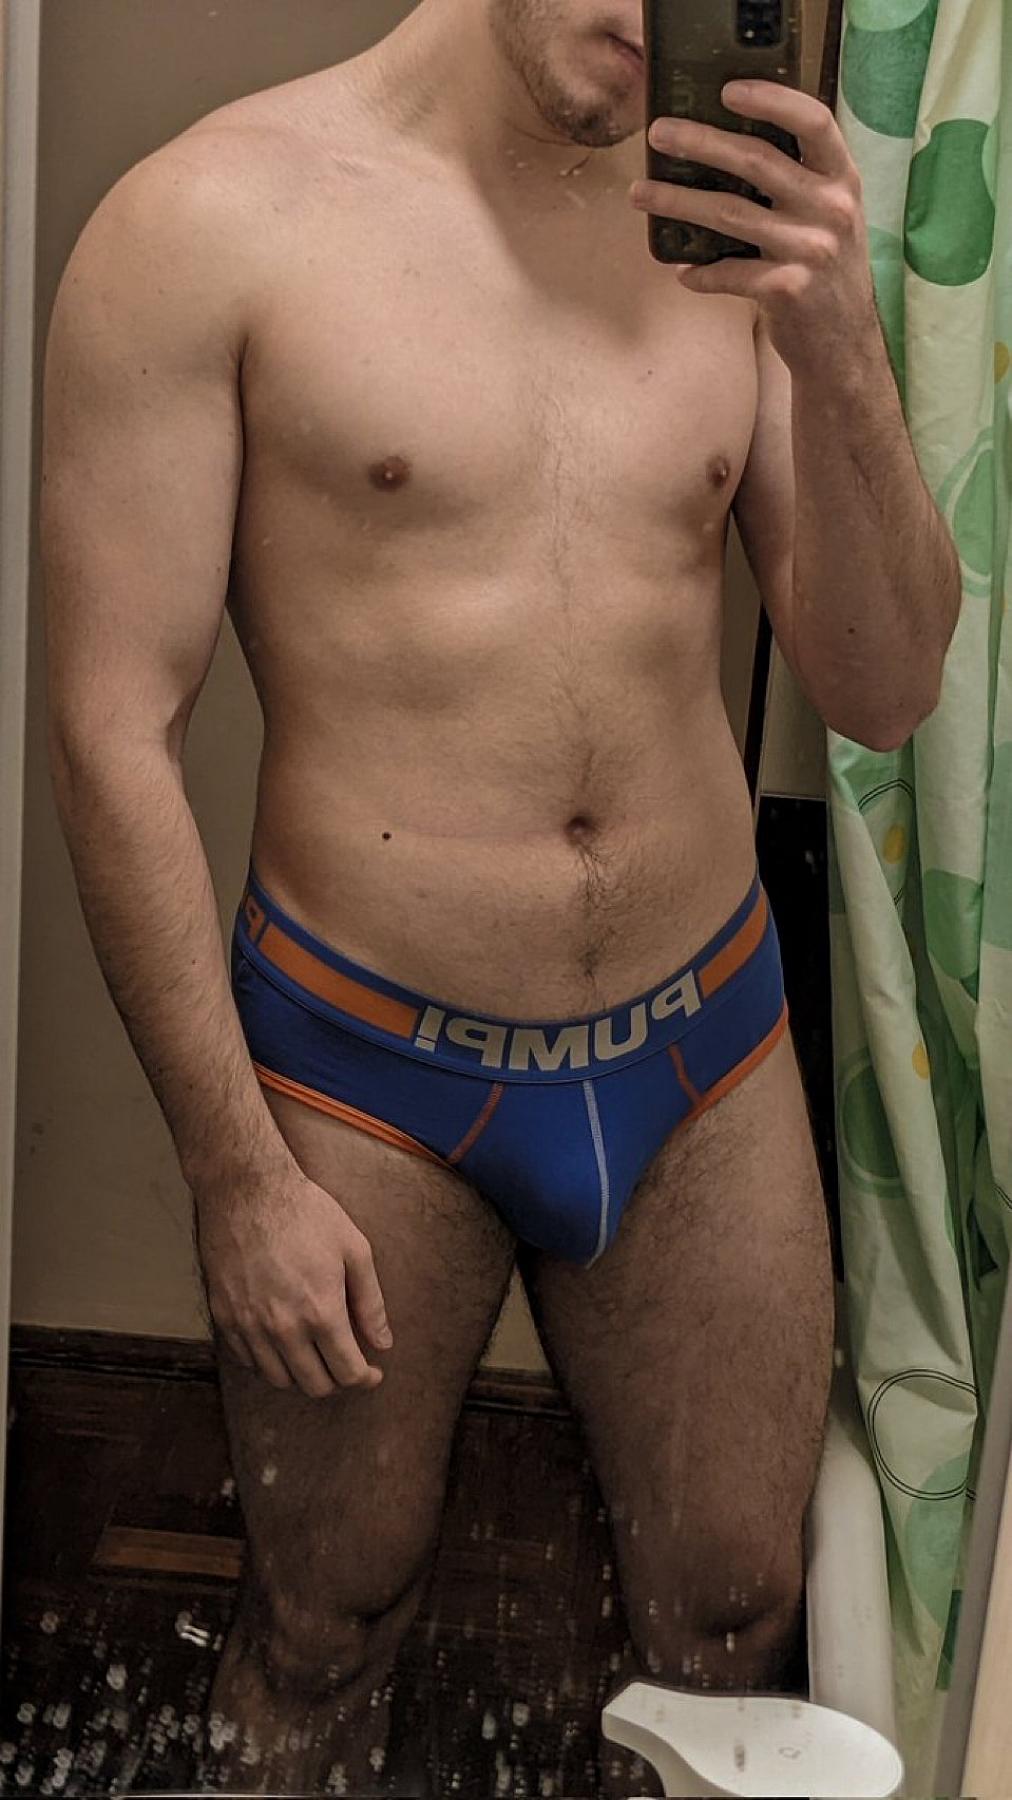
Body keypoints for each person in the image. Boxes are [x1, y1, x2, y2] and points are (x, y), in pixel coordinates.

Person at [40, 0, 961, 1793]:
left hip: (701, 1054)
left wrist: (839, 341)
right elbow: (110, 731)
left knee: (735, 1615)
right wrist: (236, 1177)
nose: (643, 14)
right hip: (365, 1077)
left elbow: (889, 687)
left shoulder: (734, 231)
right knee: (327, 1624)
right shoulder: (206, 225)